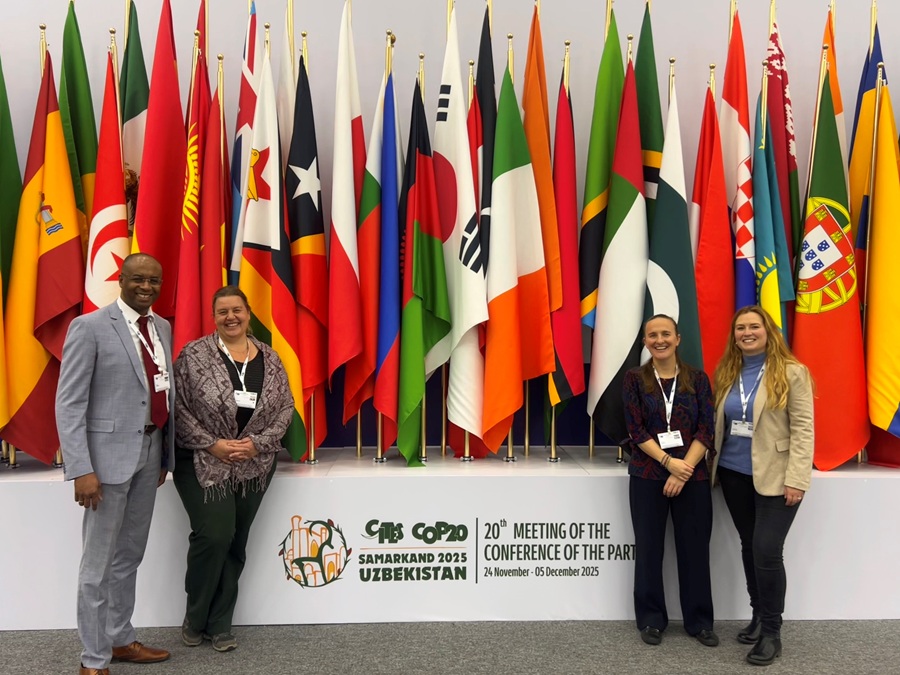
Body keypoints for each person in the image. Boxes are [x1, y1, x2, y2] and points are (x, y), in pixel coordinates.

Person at [57, 253, 175, 675]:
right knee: (97, 564)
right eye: (138, 279)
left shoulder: (162, 328)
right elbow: (69, 403)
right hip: (105, 464)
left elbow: (160, 391)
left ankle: (120, 638)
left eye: (154, 280)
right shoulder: (88, 327)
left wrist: (164, 456)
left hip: (150, 453)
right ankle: (93, 658)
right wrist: (81, 468)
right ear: (121, 279)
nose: (146, 286)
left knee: (129, 555)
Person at [173, 285, 294, 653]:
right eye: (223, 311)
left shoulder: (270, 357)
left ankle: (220, 624)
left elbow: (285, 408)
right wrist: (213, 444)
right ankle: (196, 616)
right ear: (214, 317)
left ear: (248, 313)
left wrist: (257, 443)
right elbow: (177, 408)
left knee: (237, 540)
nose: (231, 317)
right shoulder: (193, 355)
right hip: (202, 459)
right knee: (215, 535)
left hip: (254, 464)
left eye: (237, 310)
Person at [711, 306, 813, 666]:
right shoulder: (728, 371)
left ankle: (772, 632)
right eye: (740, 328)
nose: (747, 332)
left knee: (767, 550)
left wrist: (797, 479)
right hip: (733, 473)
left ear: (769, 331)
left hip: (777, 477)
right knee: (749, 545)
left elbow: (803, 429)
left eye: (754, 326)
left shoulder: (793, 372)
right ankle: (758, 613)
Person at [622, 314, 718, 648]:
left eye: (666, 334)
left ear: (678, 339)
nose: (659, 340)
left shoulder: (698, 379)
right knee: (649, 549)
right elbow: (636, 431)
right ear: (645, 342)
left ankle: (700, 622)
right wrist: (668, 463)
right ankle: (651, 620)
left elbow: (706, 429)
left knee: (695, 550)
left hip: (692, 476)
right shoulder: (634, 379)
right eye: (652, 335)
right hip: (648, 474)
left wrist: (684, 469)